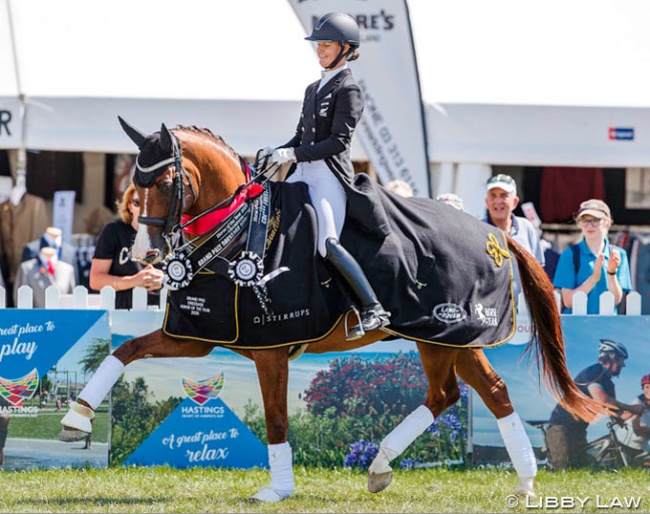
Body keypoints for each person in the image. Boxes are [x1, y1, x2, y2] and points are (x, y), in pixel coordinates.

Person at [259, 12, 389, 342]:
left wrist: (293, 155)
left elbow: (337, 143)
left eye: (327, 45)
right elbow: (301, 137)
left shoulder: (350, 90)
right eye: (319, 44)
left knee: (326, 243)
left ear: (346, 48)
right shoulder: (312, 88)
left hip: (328, 176)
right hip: (301, 171)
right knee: (265, 218)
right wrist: (277, 151)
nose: (320, 50)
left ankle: (372, 306)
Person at [545, 339, 644, 469]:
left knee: (581, 469)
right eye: (622, 361)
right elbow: (602, 400)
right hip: (562, 427)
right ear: (613, 356)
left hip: (579, 429)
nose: (623, 365)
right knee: (563, 469)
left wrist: (637, 411)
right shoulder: (593, 372)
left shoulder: (609, 384)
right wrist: (631, 407)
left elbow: (617, 415)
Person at [89, 183, 164, 310]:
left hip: (163, 315)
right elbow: (95, 280)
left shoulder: (170, 234)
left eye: (150, 202)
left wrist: (164, 280)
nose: (144, 208)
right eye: (137, 202)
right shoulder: (114, 231)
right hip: (123, 314)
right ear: (129, 206)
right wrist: (133, 281)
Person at [552, 199, 631, 315]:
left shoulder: (619, 255)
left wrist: (611, 273)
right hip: (575, 328)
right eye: (584, 220)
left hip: (607, 327)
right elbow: (568, 301)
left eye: (595, 220)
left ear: (607, 223)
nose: (589, 225)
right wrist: (593, 278)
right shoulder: (569, 254)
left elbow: (616, 300)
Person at [482, 174, 545, 302]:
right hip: (488, 311)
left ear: (515, 202)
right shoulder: (478, 229)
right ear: (486, 201)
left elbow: (538, 270)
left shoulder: (527, 228)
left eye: (504, 195)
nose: (498, 201)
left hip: (523, 309)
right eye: (493, 195)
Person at [615, 373, 650, 457]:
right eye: (647, 387)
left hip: (641, 446)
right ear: (643, 389)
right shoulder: (638, 404)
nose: (649, 390)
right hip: (624, 444)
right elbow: (637, 428)